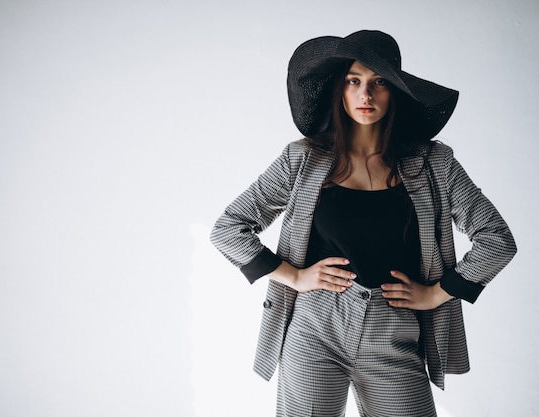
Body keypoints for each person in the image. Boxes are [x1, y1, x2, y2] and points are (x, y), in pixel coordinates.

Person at [210, 30, 516, 417]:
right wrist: (294, 276)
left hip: (395, 330)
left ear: (396, 92)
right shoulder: (302, 160)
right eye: (354, 81)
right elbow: (229, 227)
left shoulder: (433, 163)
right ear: (340, 89)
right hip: (315, 327)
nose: (365, 95)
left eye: (379, 83)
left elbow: (497, 240)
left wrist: (438, 293)